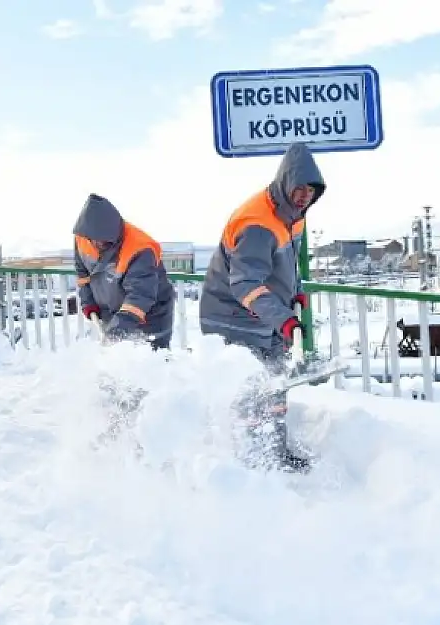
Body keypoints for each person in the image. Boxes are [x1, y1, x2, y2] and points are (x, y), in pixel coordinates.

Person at [198, 143, 325, 472]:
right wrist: (284, 318)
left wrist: (293, 294)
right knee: (252, 390)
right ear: (285, 183)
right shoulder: (257, 223)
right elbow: (245, 283)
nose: (304, 196)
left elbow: (284, 265)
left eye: (310, 191)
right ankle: (245, 463)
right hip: (232, 316)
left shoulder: (293, 217)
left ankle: (276, 452)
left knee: (275, 384)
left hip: (264, 314)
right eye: (299, 189)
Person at [73, 193, 176, 350]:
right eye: (95, 239)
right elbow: (83, 275)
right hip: (112, 312)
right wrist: (89, 303)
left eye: (105, 240)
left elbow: (140, 295)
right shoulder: (82, 239)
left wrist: (116, 332)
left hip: (149, 315)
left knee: (151, 363)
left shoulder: (140, 248)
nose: (98, 243)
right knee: (115, 364)